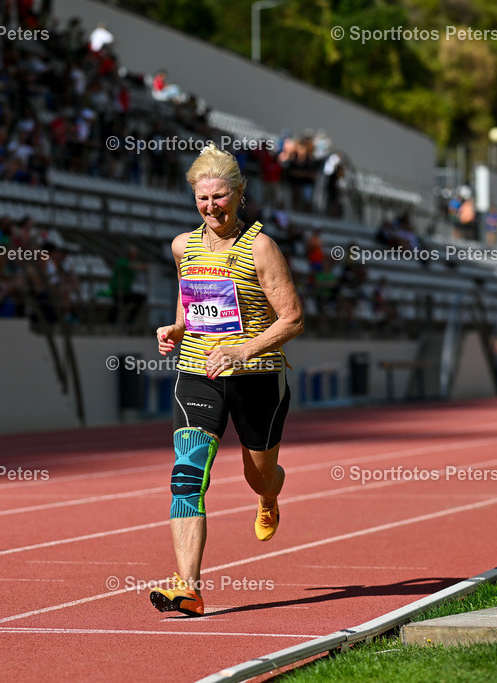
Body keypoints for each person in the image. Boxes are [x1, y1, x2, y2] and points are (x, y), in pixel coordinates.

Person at [150, 144, 304, 617]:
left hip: (256, 378)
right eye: (202, 199)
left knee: (258, 477)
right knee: (186, 476)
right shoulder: (183, 245)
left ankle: (270, 498)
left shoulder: (260, 246)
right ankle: (188, 587)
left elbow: (294, 318)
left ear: (240, 194)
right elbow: (190, 295)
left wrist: (243, 348)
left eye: (219, 197)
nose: (211, 207)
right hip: (198, 372)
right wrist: (178, 328)